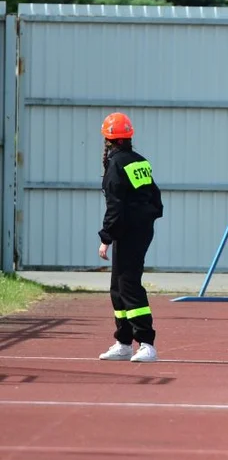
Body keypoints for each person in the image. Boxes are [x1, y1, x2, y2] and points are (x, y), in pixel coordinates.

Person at [97, 112, 164, 363]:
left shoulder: (115, 165)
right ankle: (124, 342)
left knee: (129, 285)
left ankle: (146, 343)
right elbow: (155, 198)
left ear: (107, 139)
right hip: (139, 229)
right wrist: (146, 219)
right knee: (118, 287)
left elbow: (115, 206)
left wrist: (106, 237)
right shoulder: (140, 161)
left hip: (129, 231)